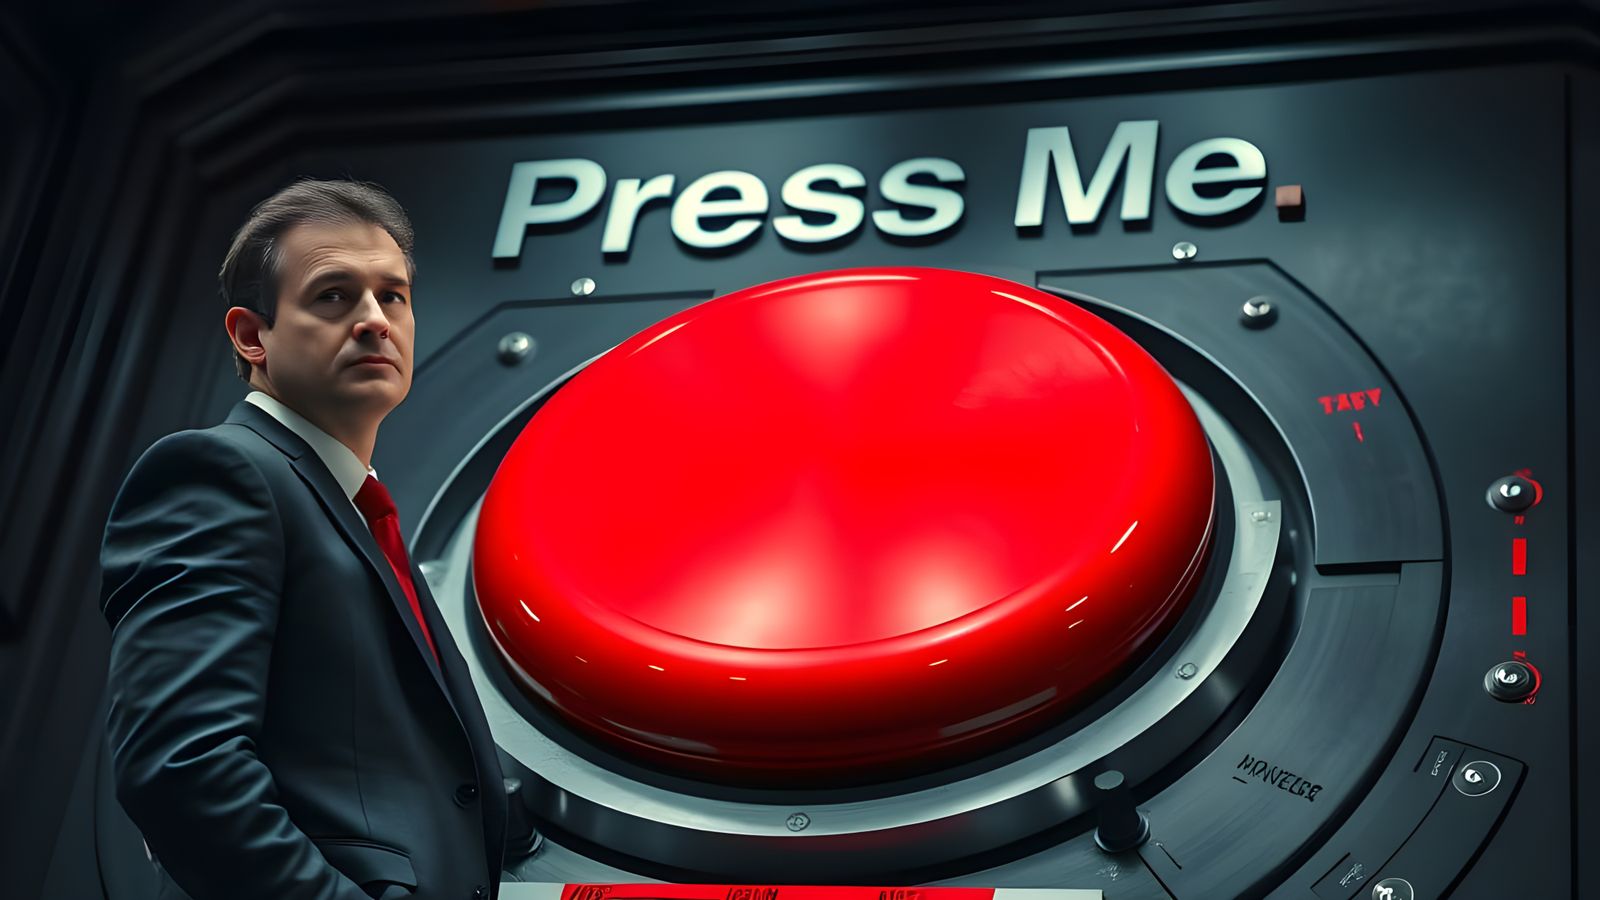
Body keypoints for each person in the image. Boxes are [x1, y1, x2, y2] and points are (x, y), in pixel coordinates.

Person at [100, 178, 511, 900]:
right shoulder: (219, 471)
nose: (374, 320)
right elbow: (182, 765)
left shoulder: (354, 510)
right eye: (333, 295)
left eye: (393, 297)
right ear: (252, 336)